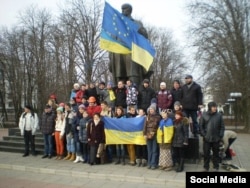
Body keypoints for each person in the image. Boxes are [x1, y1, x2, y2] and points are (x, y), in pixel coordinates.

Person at [109, 3, 153, 87]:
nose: (122, 11)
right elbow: (112, 39)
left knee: (133, 73)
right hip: (118, 52)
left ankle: (135, 91)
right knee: (119, 74)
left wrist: (138, 29)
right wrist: (110, 55)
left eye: (124, 9)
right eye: (122, 9)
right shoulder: (117, 24)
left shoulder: (136, 23)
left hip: (132, 51)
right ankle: (120, 93)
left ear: (129, 10)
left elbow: (145, 35)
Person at [199, 101, 225, 172]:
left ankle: (216, 167)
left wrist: (220, 135)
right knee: (206, 153)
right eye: (213, 107)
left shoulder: (219, 115)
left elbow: (222, 127)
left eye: (215, 107)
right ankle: (206, 167)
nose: (215, 108)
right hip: (207, 138)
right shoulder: (204, 115)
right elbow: (201, 126)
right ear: (210, 107)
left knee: (216, 153)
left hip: (216, 138)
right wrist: (204, 135)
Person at [143, 103, 161, 170]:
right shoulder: (147, 117)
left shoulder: (158, 117)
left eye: (152, 109)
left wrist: (155, 132)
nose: (151, 110)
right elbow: (144, 126)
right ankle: (149, 163)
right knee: (149, 150)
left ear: (154, 110)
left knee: (154, 150)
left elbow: (159, 127)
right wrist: (144, 134)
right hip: (148, 134)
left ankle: (153, 163)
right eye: (150, 109)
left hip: (155, 135)